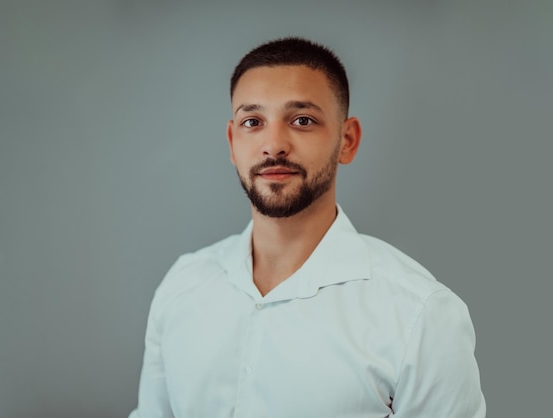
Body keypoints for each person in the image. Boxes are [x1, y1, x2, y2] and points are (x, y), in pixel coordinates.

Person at [129, 37, 486, 418]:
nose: (274, 145)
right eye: (253, 122)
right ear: (233, 142)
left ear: (347, 141)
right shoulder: (182, 285)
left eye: (302, 120)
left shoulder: (422, 316)